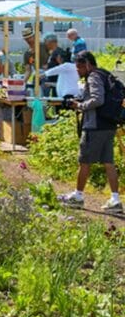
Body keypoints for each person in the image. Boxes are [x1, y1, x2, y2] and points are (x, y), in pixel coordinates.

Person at [59, 51, 122, 213]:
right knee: (108, 162)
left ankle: (78, 196)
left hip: (94, 126)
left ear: (87, 64)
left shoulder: (93, 77)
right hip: (109, 125)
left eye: (79, 67)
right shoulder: (105, 74)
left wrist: (79, 105)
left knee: (84, 161)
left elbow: (97, 99)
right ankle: (115, 200)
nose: (78, 71)